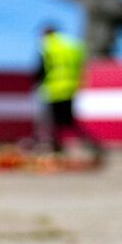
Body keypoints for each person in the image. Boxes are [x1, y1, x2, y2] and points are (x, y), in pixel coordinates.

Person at [34, 23, 99, 154]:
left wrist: (37, 82)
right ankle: (90, 143)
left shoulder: (48, 46)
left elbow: (41, 69)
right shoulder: (73, 45)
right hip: (71, 87)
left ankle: (56, 147)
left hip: (54, 88)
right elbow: (82, 64)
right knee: (68, 120)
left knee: (52, 121)